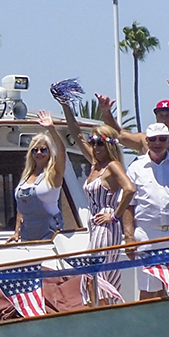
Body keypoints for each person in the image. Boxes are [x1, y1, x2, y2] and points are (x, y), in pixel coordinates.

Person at [58, 97, 135, 303]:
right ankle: (98, 310)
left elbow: (129, 189)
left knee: (97, 276)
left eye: (100, 143)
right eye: (93, 142)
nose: (95, 146)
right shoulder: (94, 164)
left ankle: (102, 311)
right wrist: (65, 105)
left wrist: (115, 216)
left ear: (108, 145)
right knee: (92, 277)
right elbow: (75, 133)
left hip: (107, 227)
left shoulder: (112, 166)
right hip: (94, 226)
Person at [125, 123, 169, 299]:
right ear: (146, 141)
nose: (158, 143)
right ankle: (147, 326)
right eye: (153, 139)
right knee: (149, 289)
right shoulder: (135, 168)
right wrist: (129, 237)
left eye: (162, 139)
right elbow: (128, 205)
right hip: (147, 235)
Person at [96, 85, 169, 164]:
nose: (164, 119)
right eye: (161, 115)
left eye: (168, 115)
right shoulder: (145, 140)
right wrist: (106, 112)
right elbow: (119, 135)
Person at [9, 111, 67, 242]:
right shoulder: (25, 177)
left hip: (49, 233)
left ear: (49, 152)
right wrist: (16, 232)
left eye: (43, 149)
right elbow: (21, 208)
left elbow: (62, 152)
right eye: (35, 150)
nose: (39, 153)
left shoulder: (53, 173)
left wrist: (51, 129)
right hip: (27, 234)